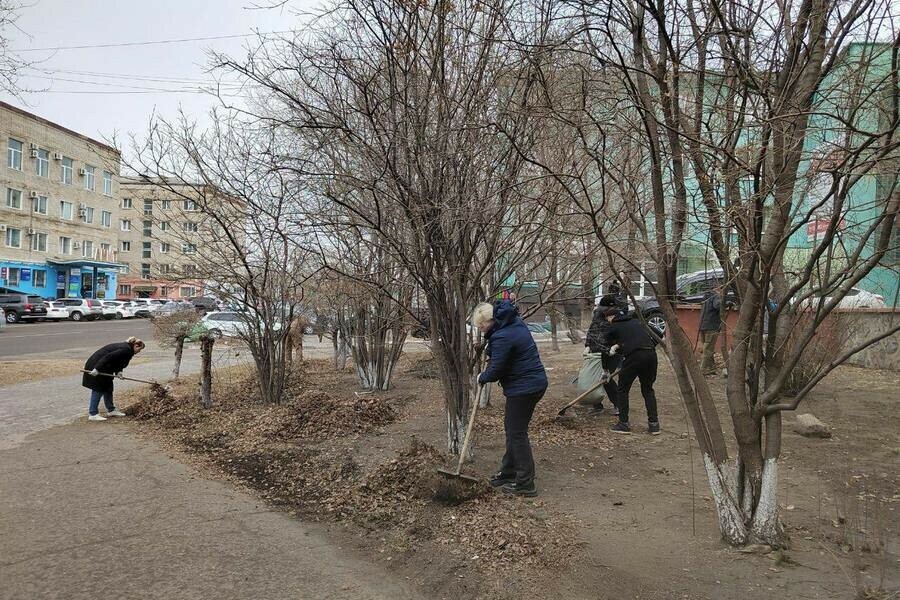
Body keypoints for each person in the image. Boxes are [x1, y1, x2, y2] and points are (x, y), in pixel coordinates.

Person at [473, 300, 548, 497]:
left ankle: (525, 483)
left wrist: (483, 376)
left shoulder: (503, 335)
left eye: (481, 326)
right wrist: (490, 350)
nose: (481, 330)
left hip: (524, 387)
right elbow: (502, 349)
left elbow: (497, 369)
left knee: (516, 433)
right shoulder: (514, 324)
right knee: (513, 430)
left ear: (490, 321)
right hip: (531, 383)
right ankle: (508, 472)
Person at [602, 308, 660, 435]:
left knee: (622, 389)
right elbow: (658, 334)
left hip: (633, 357)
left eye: (607, 319)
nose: (608, 321)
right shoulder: (638, 322)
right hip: (651, 355)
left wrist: (606, 369)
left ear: (611, 317)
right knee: (648, 389)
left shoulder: (614, 327)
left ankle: (623, 423)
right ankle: (654, 425)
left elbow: (605, 349)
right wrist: (646, 346)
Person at [82, 336, 145, 421]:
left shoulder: (127, 349)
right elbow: (108, 357)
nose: (139, 352)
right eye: (139, 349)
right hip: (96, 366)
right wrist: (97, 368)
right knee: (98, 389)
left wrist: (119, 372)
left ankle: (111, 410)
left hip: (105, 367)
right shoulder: (126, 349)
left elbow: (119, 361)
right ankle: (93, 413)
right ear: (136, 345)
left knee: (108, 387)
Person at [583, 302, 623, 415]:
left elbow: (620, 337)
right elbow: (591, 333)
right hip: (595, 353)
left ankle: (618, 405)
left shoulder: (613, 322)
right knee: (595, 377)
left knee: (607, 379)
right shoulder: (596, 321)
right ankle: (597, 404)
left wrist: (615, 347)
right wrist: (587, 346)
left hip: (611, 354)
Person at [699, 286, 724, 376]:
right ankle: (702, 370)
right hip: (711, 326)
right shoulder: (716, 296)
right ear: (718, 288)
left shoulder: (706, 296)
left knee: (708, 348)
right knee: (708, 349)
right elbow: (717, 305)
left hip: (703, 326)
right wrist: (725, 302)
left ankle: (711, 368)